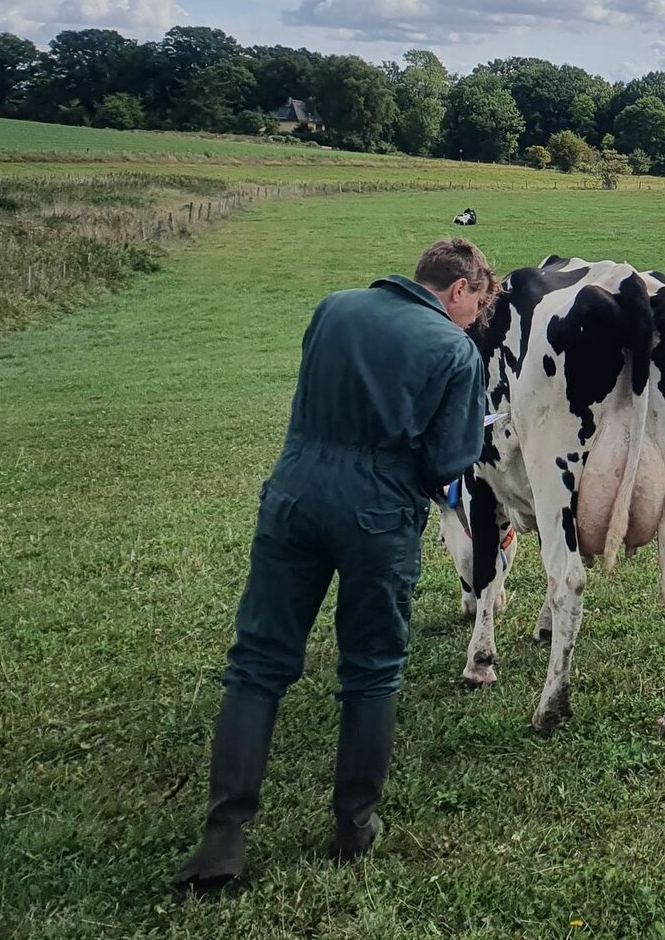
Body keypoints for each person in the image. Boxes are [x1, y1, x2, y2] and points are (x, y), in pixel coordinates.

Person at [175, 239, 494, 891]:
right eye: (477, 306)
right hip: (376, 511)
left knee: (258, 665)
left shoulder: (334, 308)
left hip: (293, 493)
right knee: (372, 669)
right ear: (459, 289)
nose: (475, 321)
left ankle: (223, 837)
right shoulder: (453, 349)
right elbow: (445, 465)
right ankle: (354, 825)